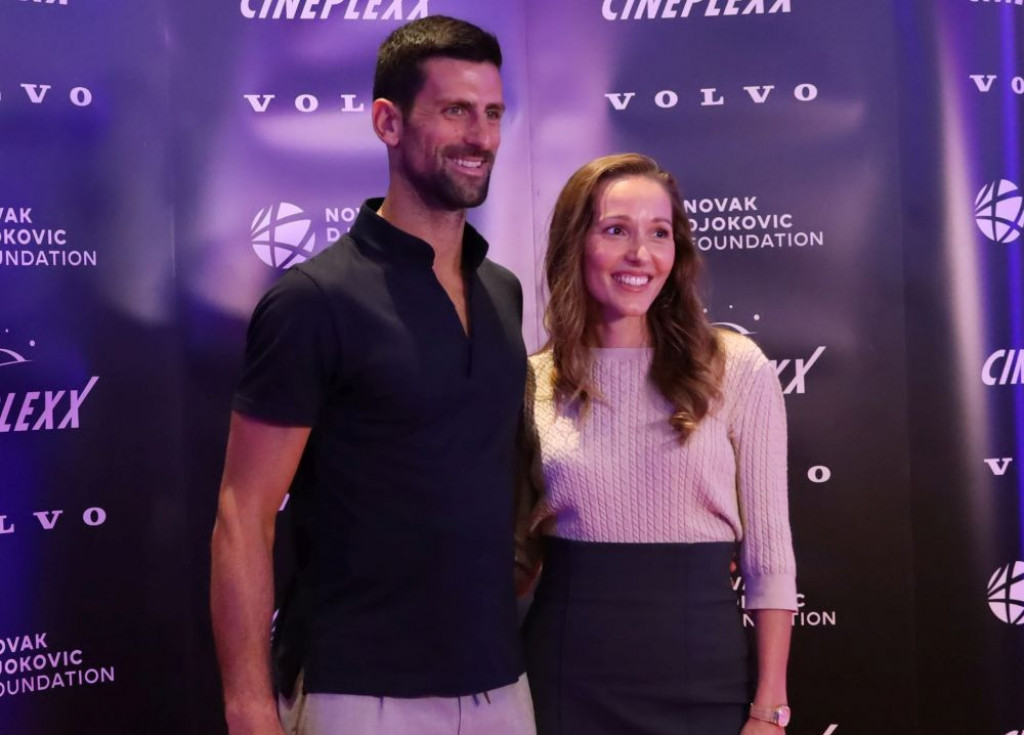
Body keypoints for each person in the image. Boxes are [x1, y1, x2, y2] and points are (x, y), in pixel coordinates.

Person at [210, 16, 535, 735]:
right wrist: (249, 708)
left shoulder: (503, 292)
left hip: (501, 687)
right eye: (455, 111)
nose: (481, 137)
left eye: (492, 113)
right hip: (358, 694)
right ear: (388, 121)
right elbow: (244, 513)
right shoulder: (313, 300)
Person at [517, 153, 798, 735]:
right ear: (574, 244)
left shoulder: (736, 367)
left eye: (659, 233)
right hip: (567, 679)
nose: (640, 254)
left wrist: (770, 708)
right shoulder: (531, 382)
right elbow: (514, 556)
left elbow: (770, 558)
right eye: (615, 230)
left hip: (705, 679)